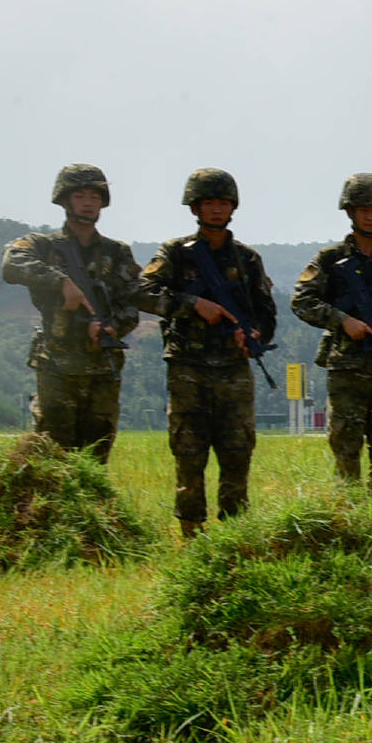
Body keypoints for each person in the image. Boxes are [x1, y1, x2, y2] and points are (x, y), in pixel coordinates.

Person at [137, 168, 276, 536]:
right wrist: (192, 304)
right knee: (189, 451)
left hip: (233, 368)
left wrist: (255, 335)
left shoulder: (247, 260)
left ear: (233, 207)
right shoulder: (175, 254)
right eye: (209, 203)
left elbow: (266, 311)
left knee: (237, 452)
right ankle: (191, 537)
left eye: (223, 203)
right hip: (189, 367)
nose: (217, 210)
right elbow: (142, 293)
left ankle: (234, 536)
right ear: (196, 207)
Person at [290, 173, 372, 500]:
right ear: (350, 212)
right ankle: (348, 529)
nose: (370, 215)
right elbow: (301, 301)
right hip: (346, 371)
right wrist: (342, 320)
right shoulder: (330, 260)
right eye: (363, 208)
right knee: (346, 456)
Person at [0, 163, 142, 461]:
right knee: (53, 455)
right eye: (80, 195)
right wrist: (60, 281)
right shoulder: (44, 245)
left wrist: (111, 327)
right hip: (57, 365)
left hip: (102, 368)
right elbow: (11, 262)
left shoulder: (117, 253)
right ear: (64, 200)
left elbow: (131, 306)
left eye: (95, 196)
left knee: (95, 457)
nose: (89, 203)